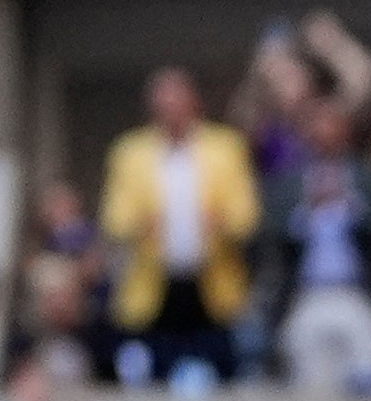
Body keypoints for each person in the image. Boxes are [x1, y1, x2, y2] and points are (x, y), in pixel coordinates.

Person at [101, 65, 259, 383]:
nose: (170, 111)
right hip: (155, 283)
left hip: (211, 283)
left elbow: (246, 216)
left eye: (176, 102)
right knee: (153, 374)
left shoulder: (225, 147)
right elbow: (114, 219)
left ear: (192, 103)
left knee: (220, 373)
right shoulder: (130, 152)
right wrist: (142, 224)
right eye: (163, 104)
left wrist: (218, 221)